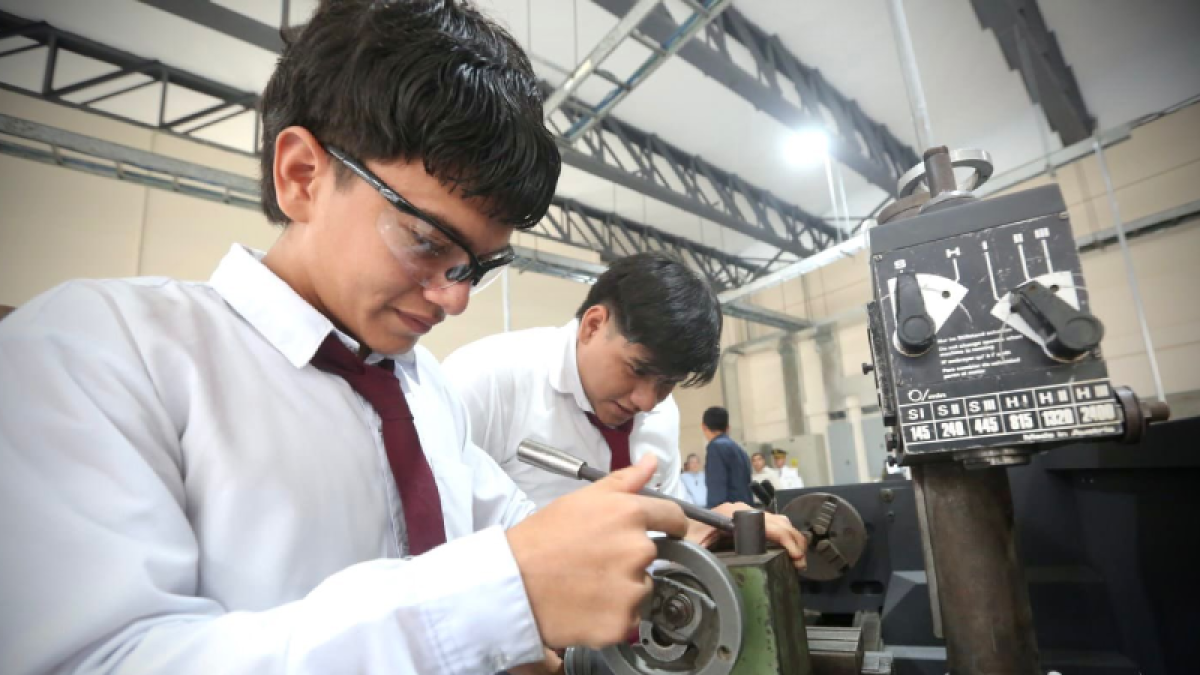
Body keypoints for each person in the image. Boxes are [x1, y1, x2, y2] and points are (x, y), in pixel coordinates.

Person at [0, 2, 691, 673]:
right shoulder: (97, 353)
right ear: (302, 175)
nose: (453, 298)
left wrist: (674, 540)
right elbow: (96, 658)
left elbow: (515, 530)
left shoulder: (426, 395)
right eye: (425, 242)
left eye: (475, 268)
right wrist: (491, 602)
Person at [443, 253, 809, 565]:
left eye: (668, 382)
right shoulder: (486, 382)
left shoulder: (662, 415)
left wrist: (713, 526)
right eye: (638, 369)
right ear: (594, 324)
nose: (647, 401)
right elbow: (436, 545)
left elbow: (664, 528)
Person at [702, 407, 754, 508]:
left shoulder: (716, 447)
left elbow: (717, 488)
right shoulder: (739, 449)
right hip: (745, 511)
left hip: (728, 515)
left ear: (703, 426)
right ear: (727, 427)